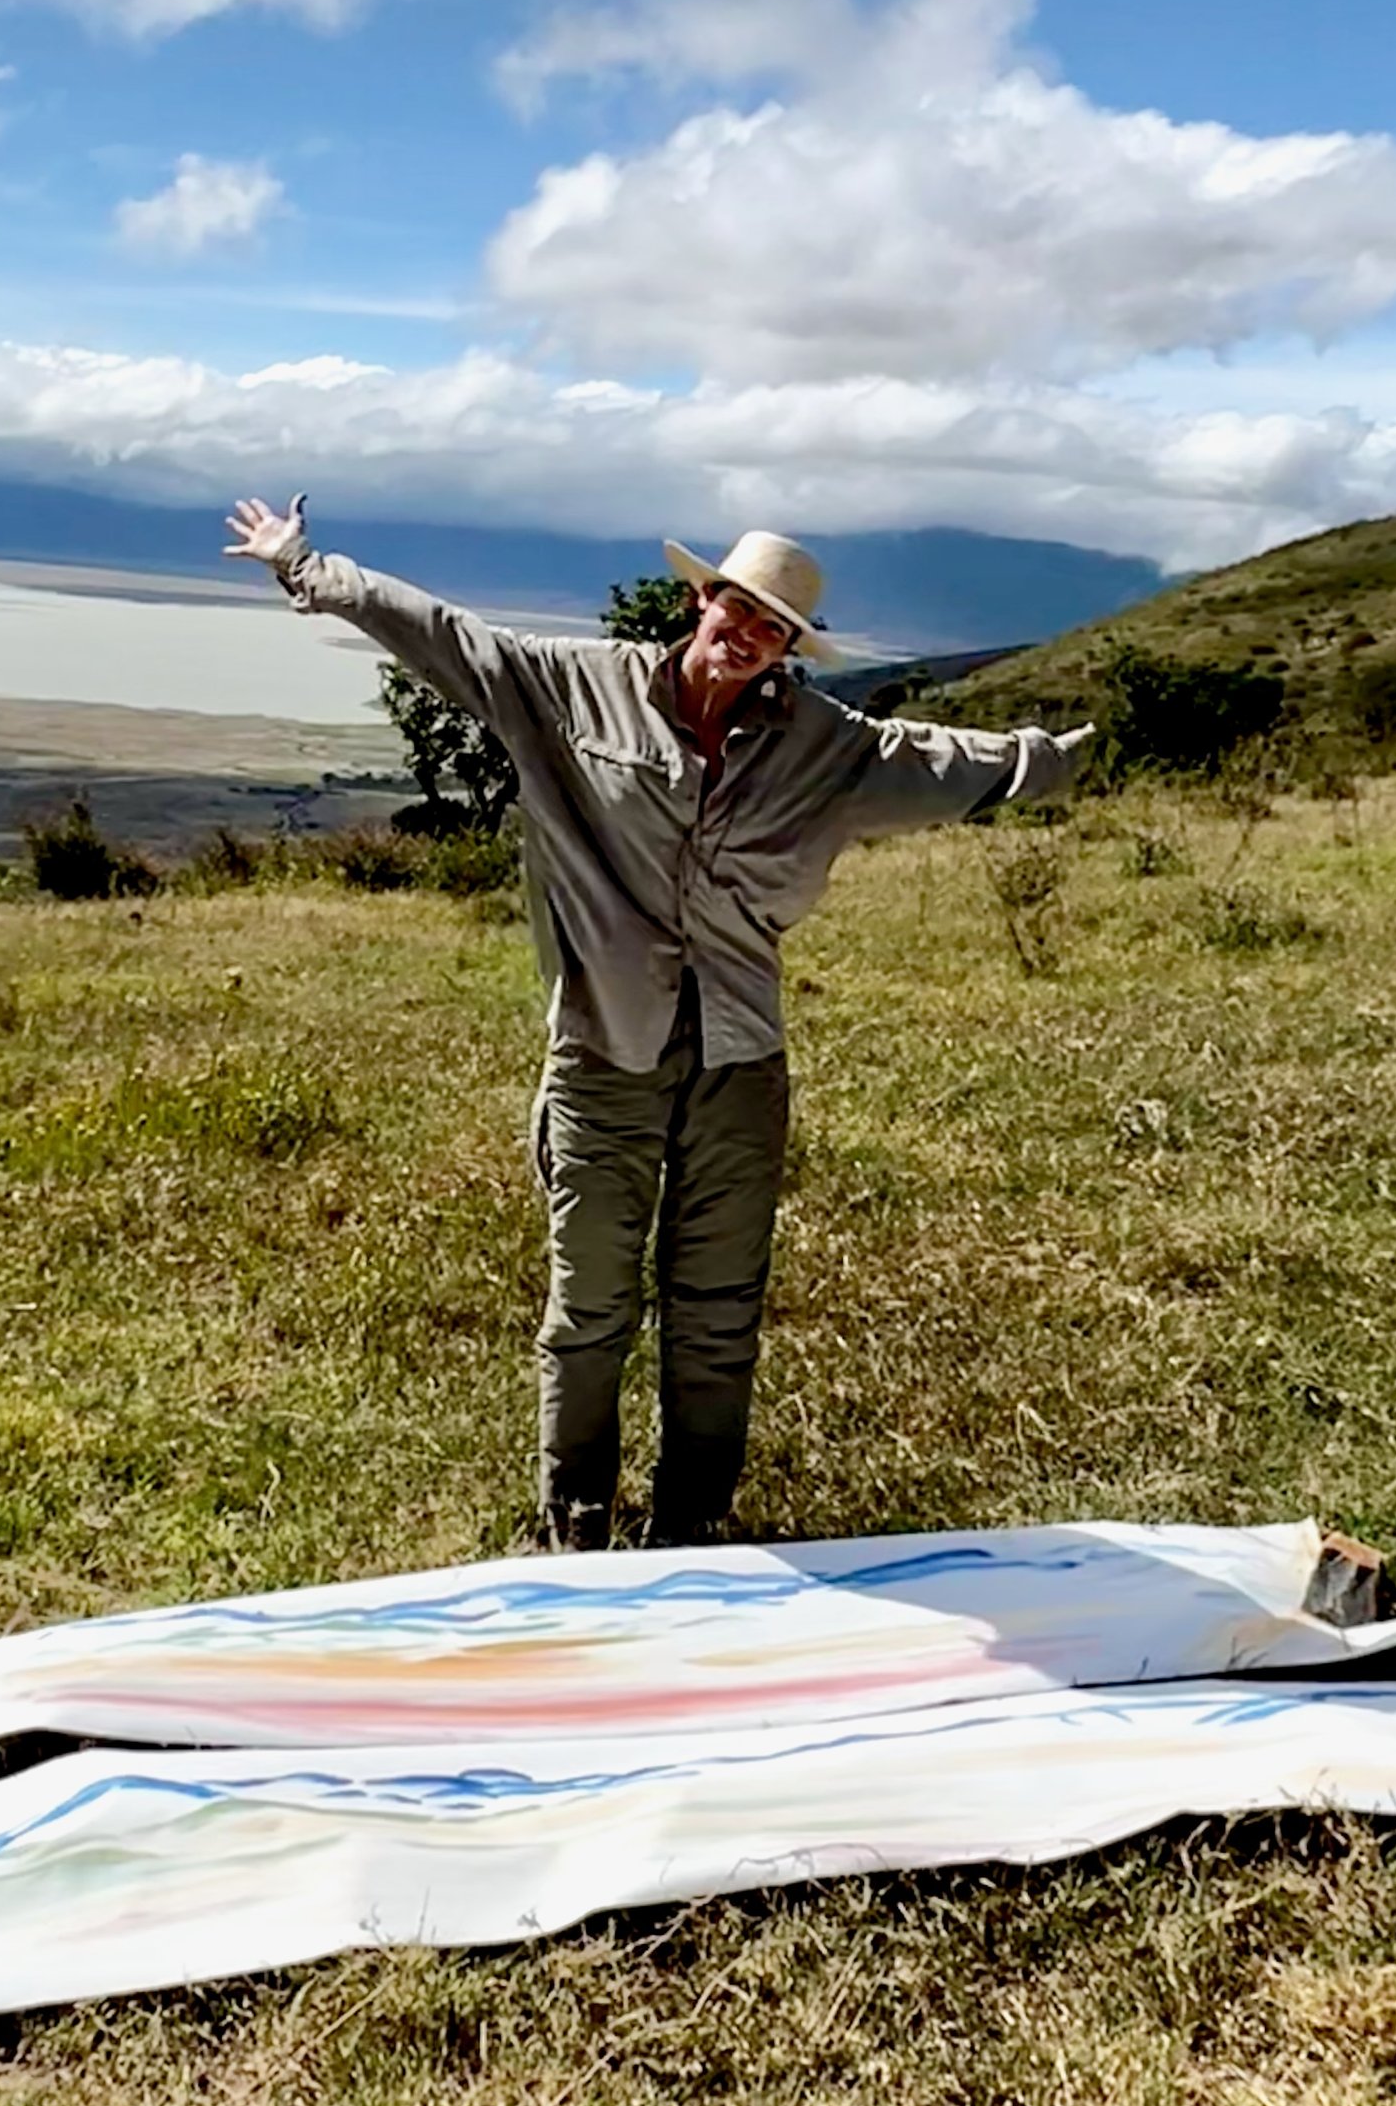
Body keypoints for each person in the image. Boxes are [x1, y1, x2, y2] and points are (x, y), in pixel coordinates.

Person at [225, 496, 1093, 1550]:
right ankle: (575, 1518)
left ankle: (692, 1521)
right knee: (588, 1305)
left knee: (720, 1307)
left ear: (786, 648)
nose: (746, 633)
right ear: (701, 598)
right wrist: (303, 566)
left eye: (771, 626)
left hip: (740, 1057)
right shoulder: (577, 690)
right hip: (603, 1050)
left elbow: (944, 761)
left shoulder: (824, 742)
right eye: (736, 607)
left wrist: (1061, 752)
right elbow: (448, 637)